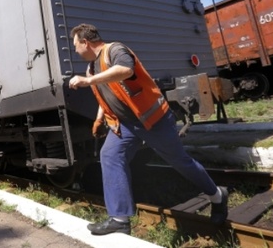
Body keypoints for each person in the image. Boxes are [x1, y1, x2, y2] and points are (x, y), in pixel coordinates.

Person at [68, 23, 228, 236]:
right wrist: (99, 118)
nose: (75, 50)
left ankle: (217, 195)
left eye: (75, 45)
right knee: (110, 156)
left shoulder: (114, 50)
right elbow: (106, 94)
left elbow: (125, 70)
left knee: (180, 161)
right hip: (126, 125)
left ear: (85, 42)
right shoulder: (92, 67)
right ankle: (119, 219)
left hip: (153, 120)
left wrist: (88, 81)